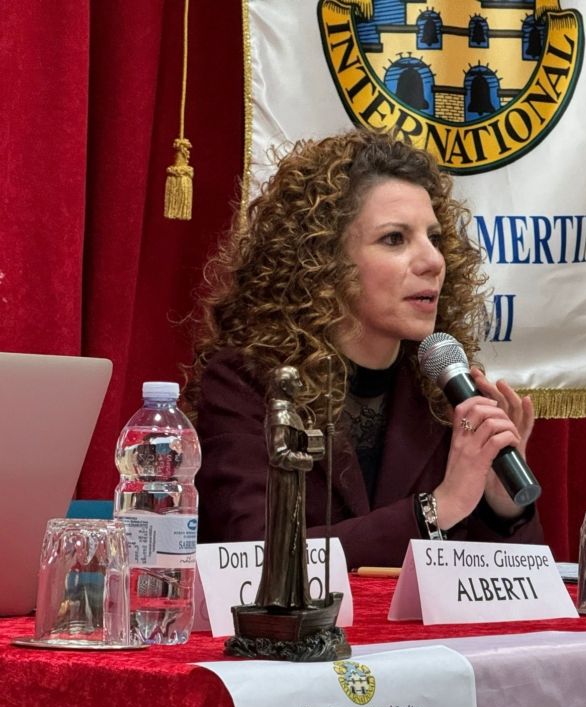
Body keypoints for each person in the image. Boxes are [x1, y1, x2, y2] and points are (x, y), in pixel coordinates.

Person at [187, 130, 544, 568]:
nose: (433, 260)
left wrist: (500, 506)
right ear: (323, 259)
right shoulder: (247, 383)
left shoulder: (441, 389)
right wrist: (436, 509)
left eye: (434, 238)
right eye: (395, 239)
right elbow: (253, 555)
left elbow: (497, 592)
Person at [256, 366, 324, 609]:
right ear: (285, 386)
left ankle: (294, 596)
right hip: (284, 484)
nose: (301, 385)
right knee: (285, 536)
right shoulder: (280, 415)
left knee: (294, 535)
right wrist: (306, 460)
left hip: (293, 482)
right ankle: (279, 597)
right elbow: (278, 454)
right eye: (296, 381)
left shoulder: (289, 412)